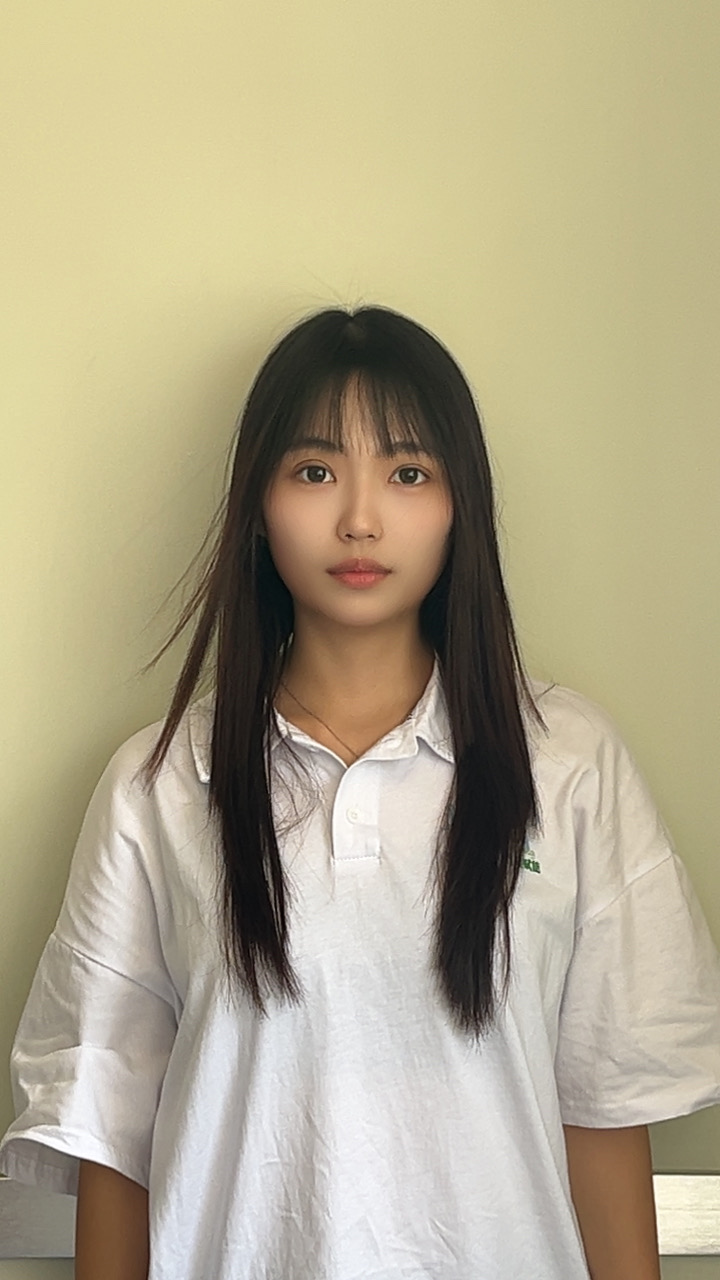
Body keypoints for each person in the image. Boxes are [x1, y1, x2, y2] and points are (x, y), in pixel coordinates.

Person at [1, 306, 719, 1280]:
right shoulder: (158, 785)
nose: (361, 518)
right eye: (315, 471)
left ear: (461, 504)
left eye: (408, 472)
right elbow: (111, 1133)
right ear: (258, 502)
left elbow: (605, 1110)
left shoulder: (570, 764)